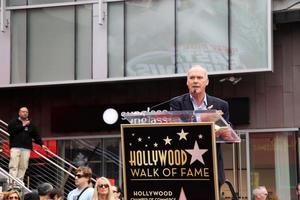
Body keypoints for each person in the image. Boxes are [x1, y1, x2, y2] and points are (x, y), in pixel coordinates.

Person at [169, 65, 230, 186]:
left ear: (206, 82)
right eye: (192, 78)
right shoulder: (177, 103)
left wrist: (223, 126)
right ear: (187, 82)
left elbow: (227, 132)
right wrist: (203, 118)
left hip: (212, 166)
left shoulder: (221, 104)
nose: (195, 81)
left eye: (199, 77)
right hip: (186, 167)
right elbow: (176, 130)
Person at [7, 107, 48, 183]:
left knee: (23, 167)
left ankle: (19, 183)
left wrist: (42, 144)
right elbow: (10, 131)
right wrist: (23, 125)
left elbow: (36, 135)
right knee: (13, 165)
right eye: (23, 112)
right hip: (15, 147)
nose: (25, 113)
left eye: (26, 112)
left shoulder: (31, 125)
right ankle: (11, 183)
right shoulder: (14, 122)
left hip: (26, 148)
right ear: (19, 113)